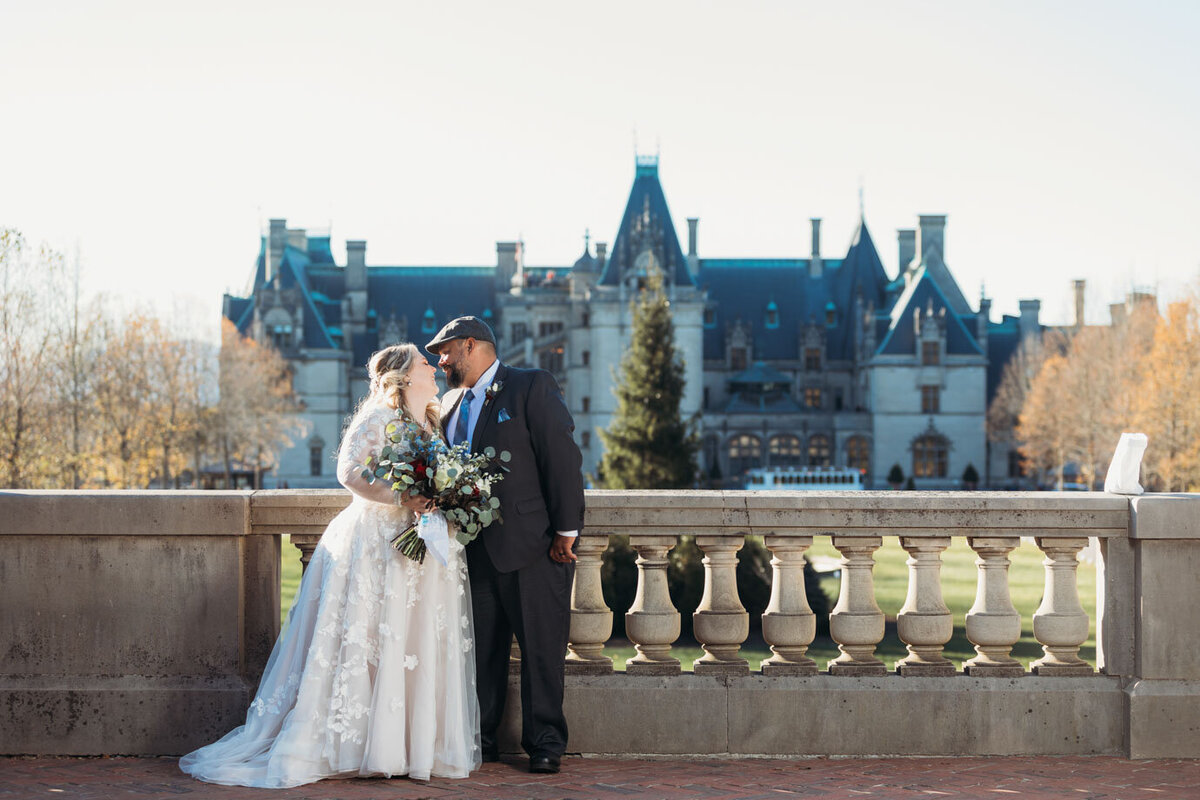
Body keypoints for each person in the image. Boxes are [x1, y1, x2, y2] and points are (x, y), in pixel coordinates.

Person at [179, 343, 480, 788]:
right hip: (378, 542)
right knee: (371, 638)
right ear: (402, 375)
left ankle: (405, 744)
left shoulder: (431, 422)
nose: (433, 368)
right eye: (423, 363)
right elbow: (348, 471)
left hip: (421, 542)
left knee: (411, 640)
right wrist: (401, 496)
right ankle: (361, 745)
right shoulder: (377, 417)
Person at [425, 316, 585, 775]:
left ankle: (546, 744)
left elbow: (562, 458)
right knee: (481, 655)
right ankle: (482, 740)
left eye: (447, 350)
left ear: (472, 345)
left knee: (541, 652)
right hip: (473, 554)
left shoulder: (531, 386)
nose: (441, 360)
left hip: (535, 549)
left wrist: (566, 532)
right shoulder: (450, 406)